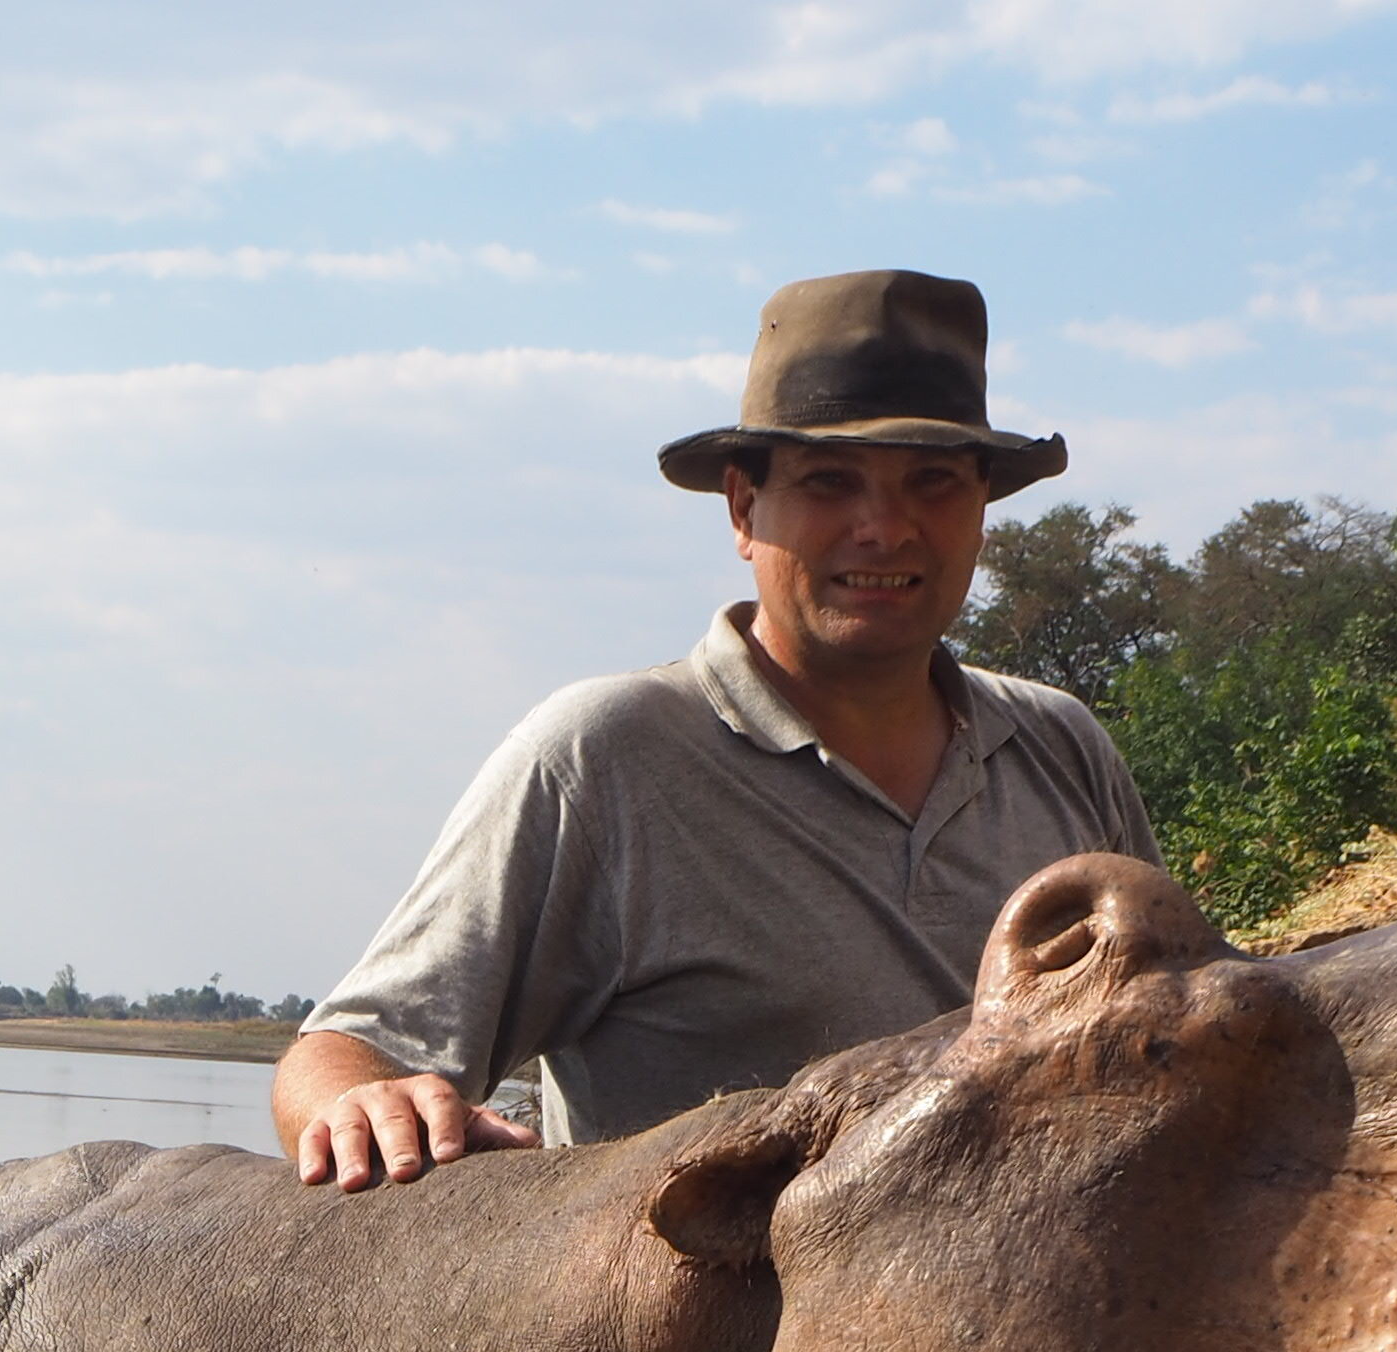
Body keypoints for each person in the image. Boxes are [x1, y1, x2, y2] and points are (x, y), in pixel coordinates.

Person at [278, 268, 1160, 1190]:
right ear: (744, 508)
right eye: (830, 482)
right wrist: (364, 1106)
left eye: (933, 482)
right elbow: (348, 1051)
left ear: (982, 510)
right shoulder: (605, 758)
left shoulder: (1062, 750)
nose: (885, 528)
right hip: (708, 1324)